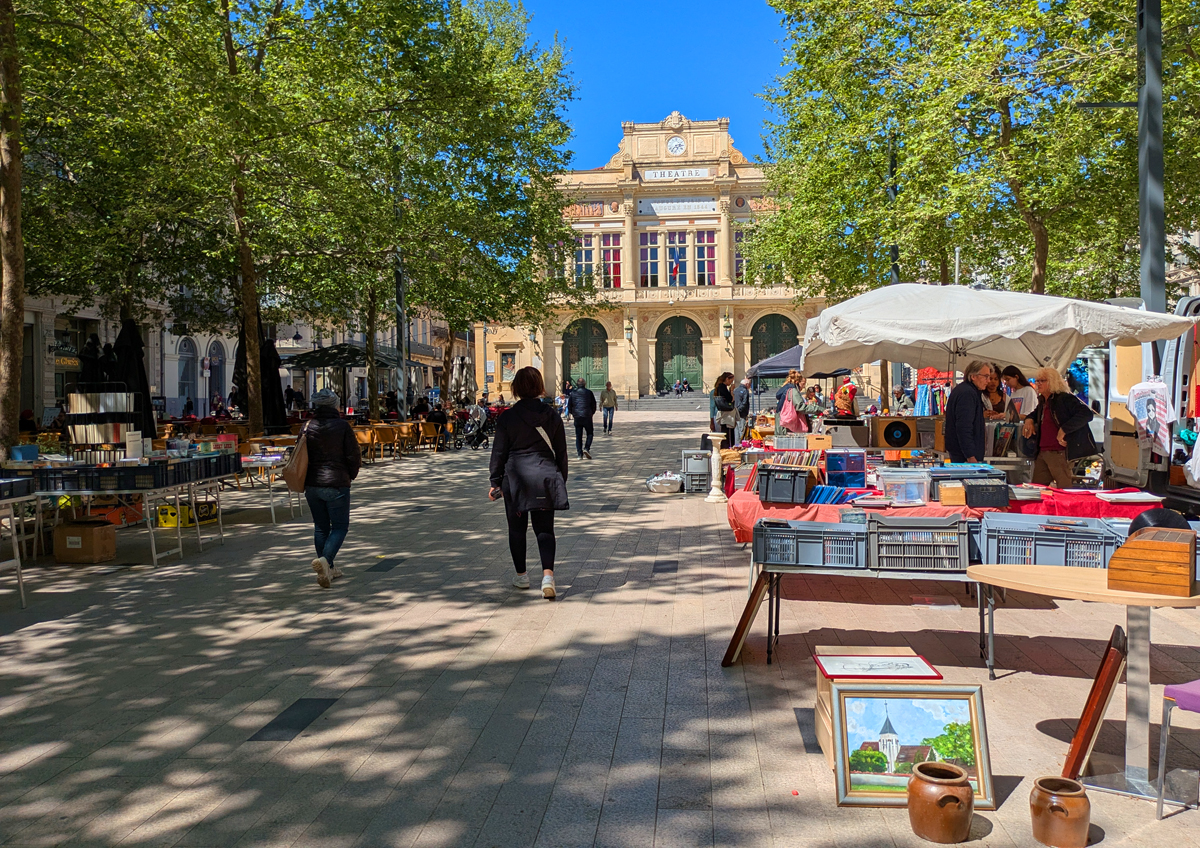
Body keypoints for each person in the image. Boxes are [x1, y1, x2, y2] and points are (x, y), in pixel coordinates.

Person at [489, 366, 568, 599]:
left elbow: (499, 452)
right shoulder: (552, 415)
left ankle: (522, 576)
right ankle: (547, 577)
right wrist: (560, 479)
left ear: (515, 388)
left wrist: (495, 481)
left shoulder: (507, 417)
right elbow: (561, 452)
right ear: (539, 387)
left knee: (517, 528)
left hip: (515, 479)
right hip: (545, 476)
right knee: (545, 529)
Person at [302, 388, 361, 588]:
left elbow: (299, 454)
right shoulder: (342, 426)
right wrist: (350, 475)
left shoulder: (307, 426)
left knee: (320, 527)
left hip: (312, 483)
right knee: (339, 527)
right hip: (336, 482)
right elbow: (353, 455)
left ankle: (328, 569)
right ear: (335, 405)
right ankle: (326, 561)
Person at [1021, 367, 1097, 488]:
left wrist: (1064, 429)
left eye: (1042, 381)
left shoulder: (1064, 398)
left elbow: (1086, 414)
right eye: (1037, 381)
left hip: (1058, 452)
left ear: (1052, 382)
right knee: (1036, 490)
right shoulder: (1043, 400)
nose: (1038, 384)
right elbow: (1035, 413)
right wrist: (1029, 419)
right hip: (1043, 452)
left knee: (1065, 491)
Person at [944, 360, 991, 463]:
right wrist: (970, 455)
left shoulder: (966, 391)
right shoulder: (967, 393)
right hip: (964, 456)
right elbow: (964, 426)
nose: (988, 381)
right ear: (973, 376)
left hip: (963, 453)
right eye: (986, 376)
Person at [568, 378, 597, 459]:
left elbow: (569, 405)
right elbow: (594, 404)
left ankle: (579, 454)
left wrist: (573, 414)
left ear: (577, 384)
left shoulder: (573, 393)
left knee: (578, 436)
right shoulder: (589, 392)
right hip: (587, 416)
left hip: (577, 417)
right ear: (585, 384)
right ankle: (587, 448)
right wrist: (591, 413)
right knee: (590, 433)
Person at [712, 372, 737, 448]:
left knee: (725, 433)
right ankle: (727, 450)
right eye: (731, 380)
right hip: (727, 415)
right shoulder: (722, 387)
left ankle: (725, 448)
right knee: (728, 435)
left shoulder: (719, 387)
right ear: (727, 379)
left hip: (723, 414)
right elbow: (730, 399)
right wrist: (732, 391)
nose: (731, 382)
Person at [734, 376, 752, 444]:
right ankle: (742, 445)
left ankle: (736, 445)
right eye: (750, 384)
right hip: (742, 413)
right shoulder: (745, 391)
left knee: (736, 431)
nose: (750, 386)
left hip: (735, 412)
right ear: (747, 384)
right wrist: (740, 410)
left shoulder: (735, 390)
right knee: (742, 430)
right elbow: (744, 402)